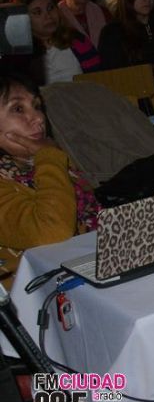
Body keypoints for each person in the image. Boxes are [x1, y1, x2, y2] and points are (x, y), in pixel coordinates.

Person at [0, 73, 98, 263]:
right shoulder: (48, 159)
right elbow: (52, 232)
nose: (38, 118)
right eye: (18, 109)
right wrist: (49, 157)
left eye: (37, 106)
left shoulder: (40, 163)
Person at [17, 0, 102, 84]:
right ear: (24, 19)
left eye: (50, 8)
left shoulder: (77, 40)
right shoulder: (20, 54)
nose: (48, 16)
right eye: (37, 12)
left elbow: (97, 78)